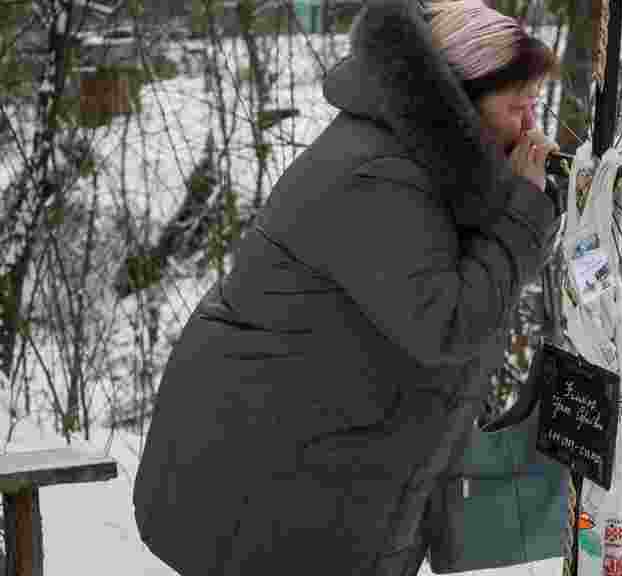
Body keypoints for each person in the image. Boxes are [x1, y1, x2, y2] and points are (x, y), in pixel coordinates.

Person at [132, 0, 563, 574]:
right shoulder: (380, 174)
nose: (531, 126)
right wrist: (524, 215)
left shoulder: (415, 158)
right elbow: (448, 324)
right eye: (517, 106)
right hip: (268, 480)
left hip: (312, 467)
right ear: (460, 104)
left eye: (534, 105)